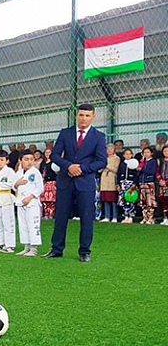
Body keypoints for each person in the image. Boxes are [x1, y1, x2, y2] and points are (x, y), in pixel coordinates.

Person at [44, 104, 107, 262]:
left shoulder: (98, 136)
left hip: (85, 183)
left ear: (93, 117)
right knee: (61, 216)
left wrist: (82, 169)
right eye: (81, 115)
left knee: (87, 218)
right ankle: (56, 249)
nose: (84, 118)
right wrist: (68, 166)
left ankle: (85, 251)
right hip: (65, 181)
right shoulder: (65, 133)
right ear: (76, 116)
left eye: (87, 115)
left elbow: (101, 161)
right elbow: (55, 155)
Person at [14, 150, 44, 256]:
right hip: (20, 202)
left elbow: (40, 188)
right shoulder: (18, 172)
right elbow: (14, 186)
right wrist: (18, 183)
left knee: (33, 224)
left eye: (31, 159)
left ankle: (34, 249)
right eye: (26, 159)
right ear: (21, 160)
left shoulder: (36, 172)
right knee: (23, 225)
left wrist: (30, 197)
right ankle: (26, 247)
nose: (29, 162)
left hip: (32, 203)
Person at [99, 143, 120, 223]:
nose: (109, 150)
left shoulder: (116, 158)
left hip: (112, 178)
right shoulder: (103, 158)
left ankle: (115, 216)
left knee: (113, 199)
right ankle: (107, 216)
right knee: (105, 199)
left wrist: (106, 166)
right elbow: (99, 169)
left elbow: (115, 169)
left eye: (111, 149)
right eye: (107, 149)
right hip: (104, 179)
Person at [137, 146, 158, 224]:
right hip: (142, 183)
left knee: (150, 201)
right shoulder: (142, 162)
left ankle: (150, 218)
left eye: (148, 152)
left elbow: (152, 172)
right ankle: (144, 218)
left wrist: (142, 169)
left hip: (149, 183)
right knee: (143, 201)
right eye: (144, 152)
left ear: (151, 153)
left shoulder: (153, 161)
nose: (146, 154)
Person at [118, 148, 139, 224]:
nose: (128, 155)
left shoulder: (134, 163)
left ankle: (131, 216)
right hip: (123, 183)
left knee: (131, 199)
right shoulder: (122, 164)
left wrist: (134, 184)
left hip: (130, 183)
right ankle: (125, 216)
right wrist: (118, 184)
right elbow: (119, 174)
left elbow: (136, 175)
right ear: (123, 155)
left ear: (132, 155)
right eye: (126, 154)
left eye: (129, 154)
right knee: (124, 200)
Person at [40, 148, 57, 219]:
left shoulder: (54, 162)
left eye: (49, 152)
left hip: (52, 182)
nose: (47, 154)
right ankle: (46, 214)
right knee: (45, 200)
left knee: (52, 200)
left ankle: (51, 214)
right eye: (46, 152)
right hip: (45, 182)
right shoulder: (43, 163)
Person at [157, 146, 168, 226]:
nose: (166, 153)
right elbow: (157, 172)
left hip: (167, 184)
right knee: (163, 201)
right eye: (165, 151)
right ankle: (165, 218)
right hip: (162, 185)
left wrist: (166, 182)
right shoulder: (161, 161)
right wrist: (160, 180)